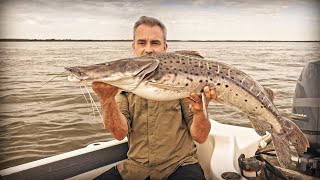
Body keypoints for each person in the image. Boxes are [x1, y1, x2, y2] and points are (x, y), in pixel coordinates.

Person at [92, 16, 216, 180]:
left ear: (165, 47)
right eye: (142, 43)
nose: (148, 49)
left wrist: (200, 112)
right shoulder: (124, 87)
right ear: (134, 47)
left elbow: (200, 138)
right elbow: (120, 134)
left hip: (181, 166)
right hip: (136, 168)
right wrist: (106, 100)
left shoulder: (183, 82)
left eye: (155, 43)